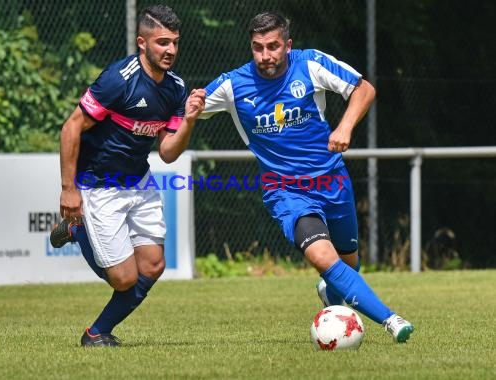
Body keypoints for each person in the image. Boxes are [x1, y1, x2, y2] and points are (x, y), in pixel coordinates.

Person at [199, 11, 414, 343]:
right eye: (258, 47)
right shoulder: (233, 84)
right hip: (285, 191)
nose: (266, 56)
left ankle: (332, 296)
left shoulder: (311, 64)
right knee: (323, 258)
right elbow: (188, 109)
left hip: (331, 181)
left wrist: (344, 127)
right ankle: (391, 320)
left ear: (288, 45)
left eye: (273, 46)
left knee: (348, 265)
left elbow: (364, 89)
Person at [51, 4, 205, 347]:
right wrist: (68, 188)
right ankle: (76, 229)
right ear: (142, 42)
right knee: (123, 279)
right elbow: (71, 128)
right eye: (162, 42)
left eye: (175, 43)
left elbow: (167, 152)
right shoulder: (117, 80)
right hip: (99, 184)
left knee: (152, 266)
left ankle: (96, 333)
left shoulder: (177, 89)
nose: (170, 51)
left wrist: (190, 120)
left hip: (139, 181)